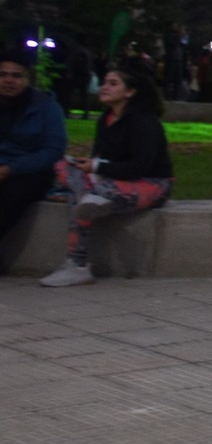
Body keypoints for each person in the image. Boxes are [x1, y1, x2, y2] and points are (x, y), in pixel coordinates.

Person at [39, 62, 174, 287]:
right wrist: (89, 166)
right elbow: (102, 159)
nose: (104, 87)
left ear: (130, 91)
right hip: (111, 181)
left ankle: (78, 264)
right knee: (63, 166)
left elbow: (140, 167)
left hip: (152, 183)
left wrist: (97, 168)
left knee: (85, 196)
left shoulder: (144, 122)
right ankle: (93, 200)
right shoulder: (106, 119)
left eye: (113, 84)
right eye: (104, 83)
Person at [0, 49, 68, 259]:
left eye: (16, 75)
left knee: (12, 196)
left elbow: (54, 149)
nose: (9, 80)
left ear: (27, 79)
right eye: (3, 75)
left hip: (30, 171)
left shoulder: (46, 107)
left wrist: (11, 169)